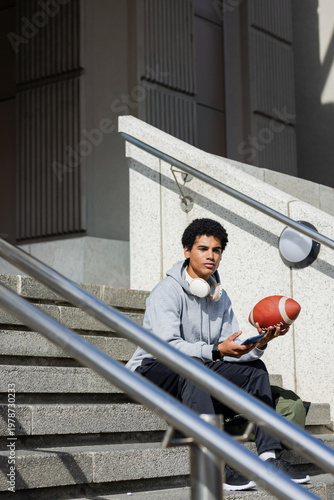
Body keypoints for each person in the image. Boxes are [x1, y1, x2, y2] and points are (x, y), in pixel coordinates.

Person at [126, 218, 310, 491]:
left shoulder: (219, 297)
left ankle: (269, 457)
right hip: (153, 369)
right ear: (187, 251)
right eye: (203, 249)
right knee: (194, 368)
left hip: (197, 369)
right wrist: (213, 350)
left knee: (255, 369)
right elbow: (165, 347)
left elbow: (228, 349)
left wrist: (256, 345)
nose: (211, 255)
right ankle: (215, 463)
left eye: (217, 250)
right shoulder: (166, 291)